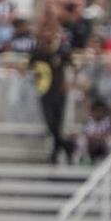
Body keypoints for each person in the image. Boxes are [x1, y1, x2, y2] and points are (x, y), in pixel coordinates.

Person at [30, 30, 73, 163]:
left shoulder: (61, 51)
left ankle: (55, 153)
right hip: (45, 91)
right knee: (50, 123)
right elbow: (31, 66)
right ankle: (66, 145)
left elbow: (70, 65)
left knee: (58, 123)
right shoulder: (38, 52)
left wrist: (67, 82)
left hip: (59, 92)